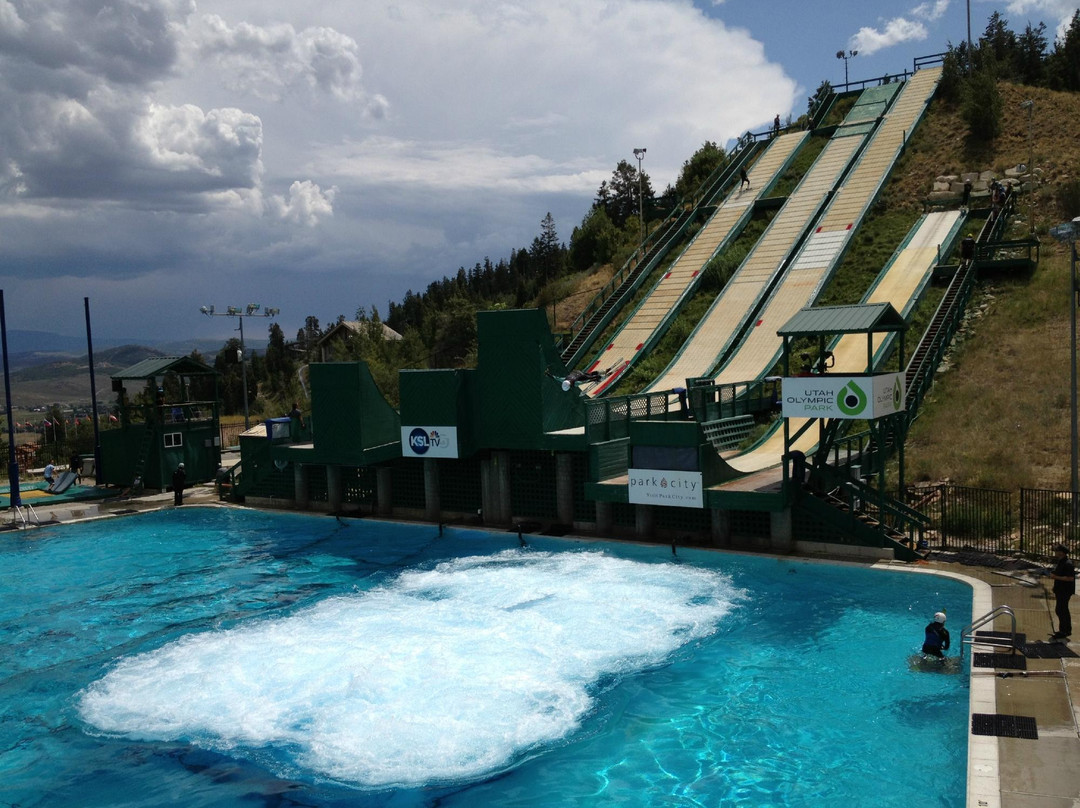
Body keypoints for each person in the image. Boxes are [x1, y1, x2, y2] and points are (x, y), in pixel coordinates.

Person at [1049, 544, 1075, 639]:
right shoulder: (1061, 561)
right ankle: (1065, 630)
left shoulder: (1068, 563)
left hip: (1065, 590)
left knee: (1061, 610)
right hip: (1060, 589)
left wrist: (1055, 577)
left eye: (1057, 551)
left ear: (1061, 552)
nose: (1055, 552)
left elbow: (1070, 578)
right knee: (1062, 609)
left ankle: (1064, 631)